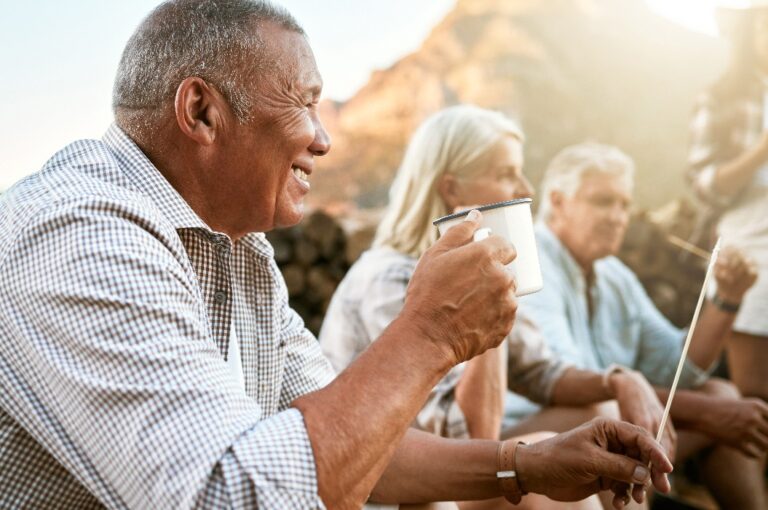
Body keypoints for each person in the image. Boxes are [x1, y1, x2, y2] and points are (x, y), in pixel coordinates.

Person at [0, 2, 674, 509]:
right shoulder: (77, 234)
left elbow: (352, 442)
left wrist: (526, 465)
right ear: (202, 112)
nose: (324, 140)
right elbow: (231, 496)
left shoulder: (241, 251)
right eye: (305, 103)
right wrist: (430, 332)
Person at [320, 106, 673, 510]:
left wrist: (619, 379)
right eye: (506, 174)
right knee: (547, 468)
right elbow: (472, 437)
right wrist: (494, 299)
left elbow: (541, 373)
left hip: (449, 471)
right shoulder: (391, 280)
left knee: (605, 422)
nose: (525, 188)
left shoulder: (470, 273)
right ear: (452, 190)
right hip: (395, 491)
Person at [516, 142, 767, 509]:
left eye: (624, 204)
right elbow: (574, 385)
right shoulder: (533, 265)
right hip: (529, 433)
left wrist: (726, 298)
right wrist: (707, 414)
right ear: (557, 201)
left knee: (722, 395)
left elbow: (678, 366)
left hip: (602, 414)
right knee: (608, 421)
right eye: (603, 201)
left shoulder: (612, 273)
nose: (618, 216)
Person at [687, 0, 768, 403]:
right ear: (750, 36)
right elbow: (705, 186)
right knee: (755, 390)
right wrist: (761, 150)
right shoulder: (724, 98)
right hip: (752, 243)